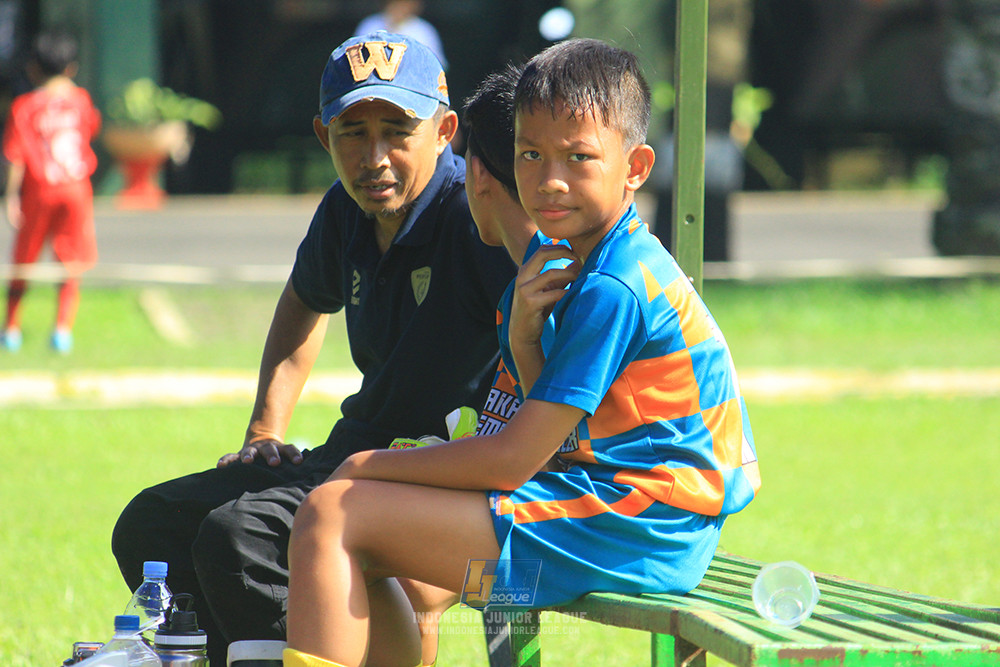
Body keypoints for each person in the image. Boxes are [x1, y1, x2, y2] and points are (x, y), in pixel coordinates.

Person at [283, 37, 761, 667]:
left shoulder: (617, 283)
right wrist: (523, 343)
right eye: (530, 154)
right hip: (613, 514)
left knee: (330, 514)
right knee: (382, 551)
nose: (549, 179)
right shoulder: (555, 274)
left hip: (640, 531)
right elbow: (554, 444)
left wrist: (366, 464)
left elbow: (511, 461)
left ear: (636, 167)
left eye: (579, 157)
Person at [110, 31, 516, 666]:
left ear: (444, 132)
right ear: (325, 138)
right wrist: (265, 426)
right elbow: (303, 301)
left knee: (238, 536)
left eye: (396, 130)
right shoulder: (344, 213)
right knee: (152, 524)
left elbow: (551, 333)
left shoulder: (476, 217)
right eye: (353, 133)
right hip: (354, 455)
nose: (374, 156)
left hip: (434, 477)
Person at [1, 29, 101, 354]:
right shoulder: (81, 100)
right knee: (70, 260)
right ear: (71, 68)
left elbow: (14, 156)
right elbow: (90, 130)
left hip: (39, 190)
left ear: (33, 68)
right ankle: (62, 329)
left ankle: (11, 328)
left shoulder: (24, 106)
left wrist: (11, 196)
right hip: (75, 189)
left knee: (24, 259)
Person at [355, 0, 448, 70]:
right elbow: (355, 60)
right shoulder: (370, 24)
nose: (399, 7)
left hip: (411, 85)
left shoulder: (423, 30)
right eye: (395, 3)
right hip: (373, 82)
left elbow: (437, 67)